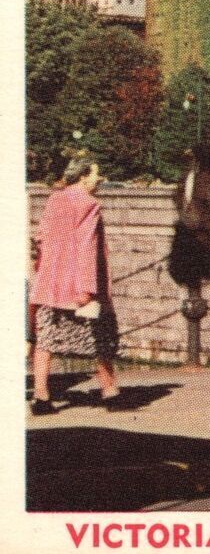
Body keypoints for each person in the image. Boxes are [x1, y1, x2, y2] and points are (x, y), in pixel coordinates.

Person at [30, 159, 124, 414]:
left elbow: (40, 238)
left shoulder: (54, 200)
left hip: (51, 284)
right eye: (95, 174)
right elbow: (87, 248)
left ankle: (41, 397)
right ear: (83, 176)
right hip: (81, 285)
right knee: (101, 338)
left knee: (46, 340)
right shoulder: (88, 204)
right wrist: (86, 289)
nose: (99, 178)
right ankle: (109, 391)